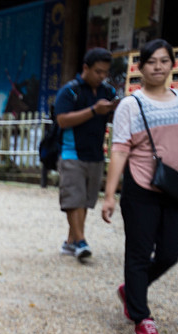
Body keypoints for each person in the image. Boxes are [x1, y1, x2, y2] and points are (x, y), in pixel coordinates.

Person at [101, 38, 178, 334]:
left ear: (172, 64)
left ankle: (131, 289)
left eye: (163, 61)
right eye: (151, 62)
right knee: (138, 251)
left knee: (170, 253)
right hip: (141, 187)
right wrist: (110, 194)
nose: (158, 67)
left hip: (177, 186)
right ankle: (141, 316)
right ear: (141, 67)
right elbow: (119, 150)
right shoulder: (131, 105)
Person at [53, 47, 118, 261]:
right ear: (86, 68)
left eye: (105, 72)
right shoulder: (69, 91)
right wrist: (93, 111)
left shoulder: (107, 91)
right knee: (75, 199)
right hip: (71, 152)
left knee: (86, 200)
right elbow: (62, 120)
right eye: (98, 71)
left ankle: (71, 241)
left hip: (95, 153)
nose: (102, 76)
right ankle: (81, 242)